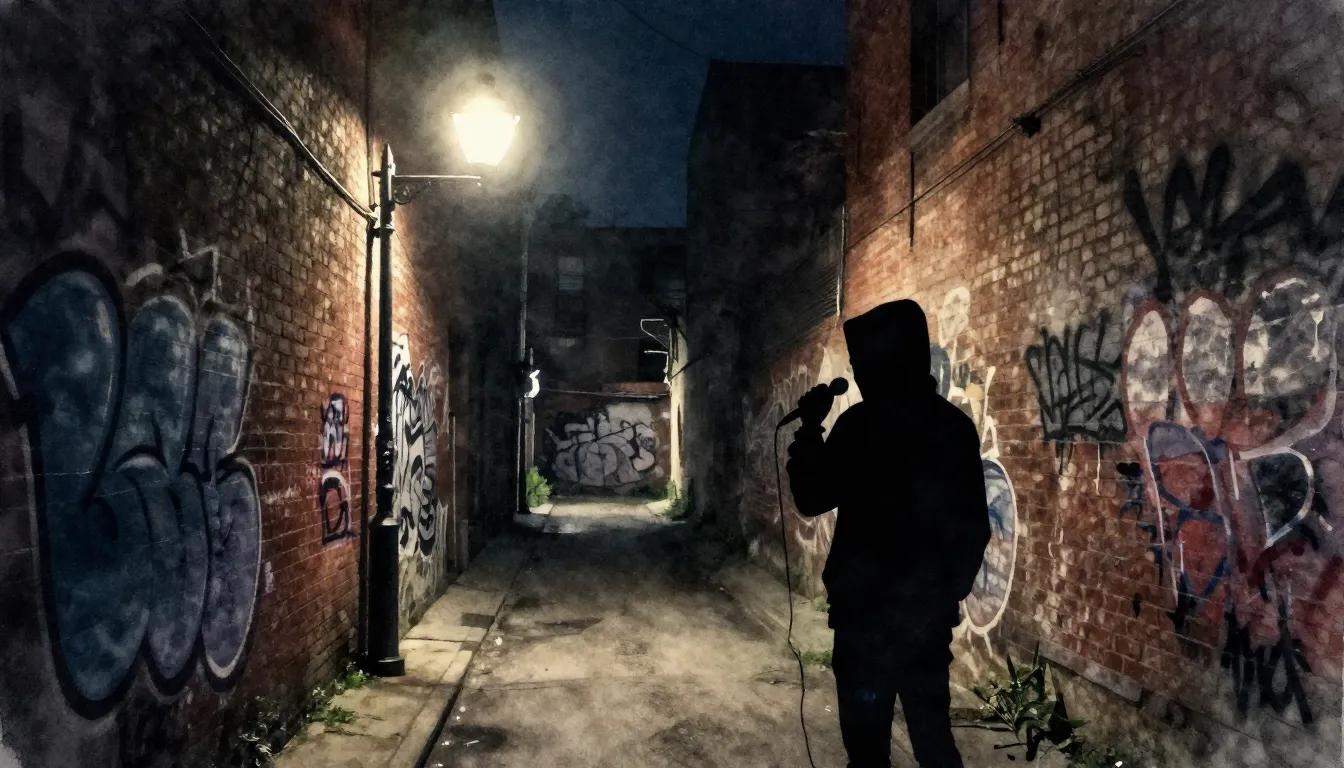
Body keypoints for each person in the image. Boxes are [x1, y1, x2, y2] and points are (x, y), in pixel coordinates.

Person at [786, 299, 991, 768]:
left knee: (867, 751)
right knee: (933, 741)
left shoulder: (860, 427)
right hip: (925, 620)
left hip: (864, 620)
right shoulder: (953, 427)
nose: (857, 374)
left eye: (861, 364)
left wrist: (810, 430)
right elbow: (973, 528)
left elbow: (812, 497)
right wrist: (942, 597)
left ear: (881, 363)